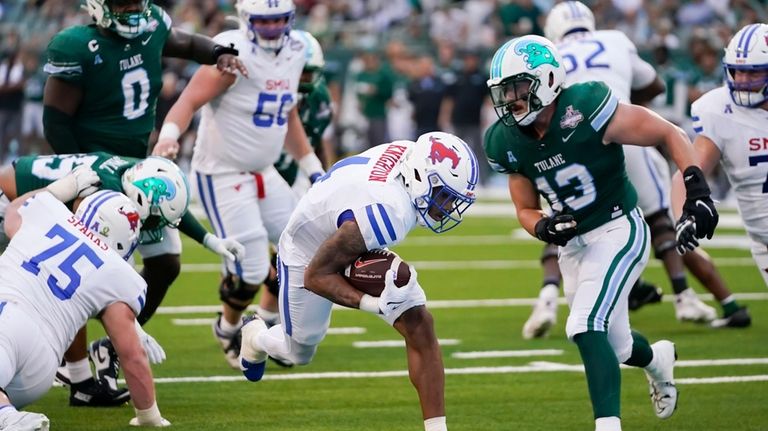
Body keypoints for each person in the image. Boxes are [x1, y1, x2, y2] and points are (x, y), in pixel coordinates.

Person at [484, 35, 719, 431]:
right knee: (619, 346)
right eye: (503, 92)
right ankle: (657, 360)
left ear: (547, 79)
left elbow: (667, 132)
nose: (510, 100)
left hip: (618, 228)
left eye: (518, 88)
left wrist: (695, 184)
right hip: (575, 246)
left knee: (583, 325)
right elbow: (524, 207)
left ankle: (607, 425)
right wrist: (541, 225)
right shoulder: (504, 141)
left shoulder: (586, 105)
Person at [519, 0, 749, 340]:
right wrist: (626, 103)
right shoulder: (615, 40)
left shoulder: (549, 55)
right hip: (620, 130)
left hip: (572, 145)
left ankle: (548, 300)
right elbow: (655, 84)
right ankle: (685, 295)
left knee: (560, 224)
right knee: (661, 219)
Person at [239, 132, 478, 431]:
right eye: (443, 194)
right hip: (306, 249)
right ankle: (255, 336)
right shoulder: (390, 210)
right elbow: (316, 275)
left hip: (349, 226)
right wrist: (374, 304)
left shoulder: (409, 155)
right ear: (419, 176)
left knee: (419, 320)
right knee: (298, 351)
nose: (445, 206)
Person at [152, 0, 325, 369]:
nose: (275, 28)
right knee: (248, 269)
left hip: (264, 170)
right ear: (248, 21)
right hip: (222, 172)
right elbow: (188, 101)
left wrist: (311, 165)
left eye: (281, 20)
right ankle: (228, 329)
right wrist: (168, 137)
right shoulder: (232, 53)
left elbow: (287, 111)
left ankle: (277, 329)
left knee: (307, 243)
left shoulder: (296, 50)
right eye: (266, 22)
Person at [0, 153, 244, 405]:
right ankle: (75, 378)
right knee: (64, 284)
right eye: (154, 220)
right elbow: (105, 274)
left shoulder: (133, 173)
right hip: (8, 202)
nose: (154, 226)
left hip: (28, 202)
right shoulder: (102, 190)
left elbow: (166, 204)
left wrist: (208, 239)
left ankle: (80, 383)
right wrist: (133, 329)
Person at [0, 170, 170, 428]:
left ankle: (7, 418)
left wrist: (58, 190)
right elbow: (131, 353)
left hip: (7, 318)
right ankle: (6, 411)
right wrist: (149, 415)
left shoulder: (48, 212)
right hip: (41, 367)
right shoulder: (119, 272)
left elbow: (12, 212)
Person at [673, 23, 768, 297]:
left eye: (752, 73)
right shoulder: (720, 110)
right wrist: (684, 214)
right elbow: (687, 170)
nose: (740, 79)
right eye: (736, 71)